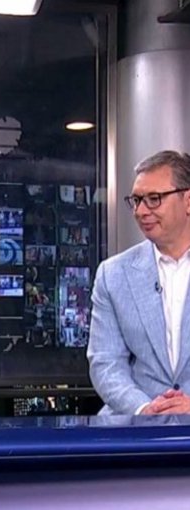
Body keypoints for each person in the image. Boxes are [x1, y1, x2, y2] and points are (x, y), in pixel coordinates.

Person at [88, 150, 190, 415]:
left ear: (188, 201)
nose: (141, 211)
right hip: (136, 423)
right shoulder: (113, 274)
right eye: (136, 200)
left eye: (154, 199)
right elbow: (106, 362)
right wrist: (145, 409)